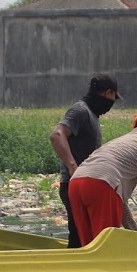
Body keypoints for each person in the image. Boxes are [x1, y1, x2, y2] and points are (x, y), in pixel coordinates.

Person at [68, 110, 137, 246]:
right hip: (101, 185)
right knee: (106, 247)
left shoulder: (122, 142)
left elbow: (118, 197)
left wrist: (136, 232)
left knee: (89, 246)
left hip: (75, 183)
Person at [50, 73, 121, 248]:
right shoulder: (80, 110)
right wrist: (73, 166)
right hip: (73, 183)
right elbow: (57, 135)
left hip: (83, 185)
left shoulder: (92, 115)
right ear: (108, 93)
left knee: (84, 236)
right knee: (78, 236)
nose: (112, 103)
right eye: (113, 97)